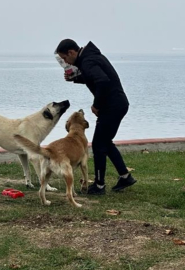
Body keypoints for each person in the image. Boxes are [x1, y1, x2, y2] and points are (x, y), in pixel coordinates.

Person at [55, 39, 137, 195]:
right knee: (105, 142)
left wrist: (96, 105)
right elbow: (94, 77)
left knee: (99, 145)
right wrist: (75, 79)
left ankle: (99, 186)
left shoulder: (87, 61)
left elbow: (102, 82)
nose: (65, 62)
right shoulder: (90, 58)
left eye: (65, 58)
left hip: (111, 106)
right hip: (118, 104)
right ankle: (125, 176)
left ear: (71, 52)